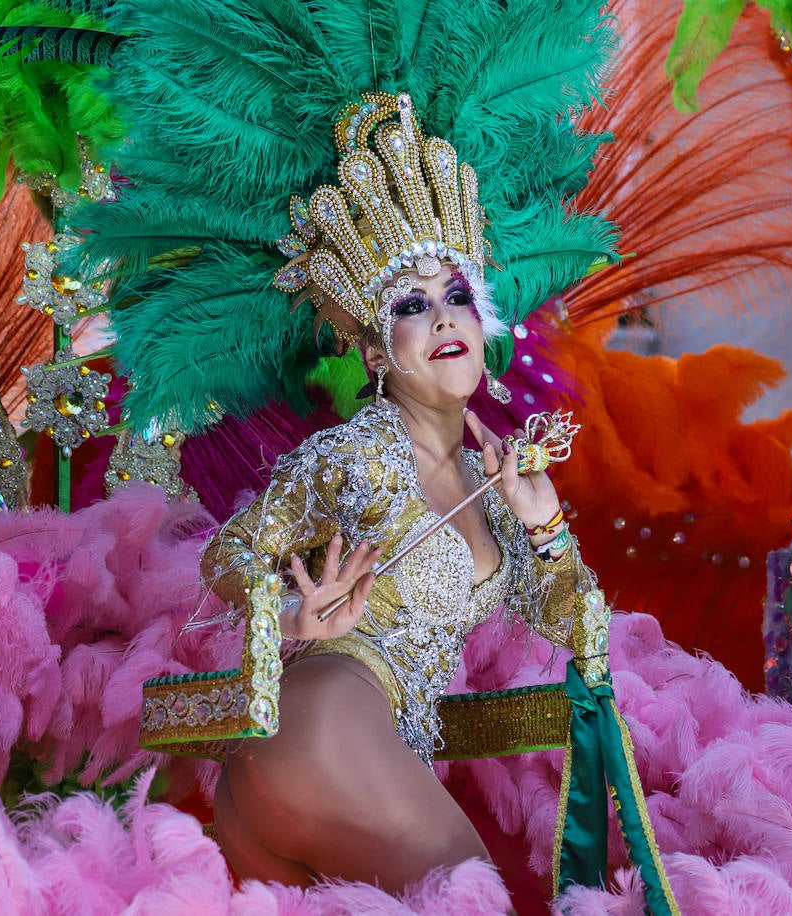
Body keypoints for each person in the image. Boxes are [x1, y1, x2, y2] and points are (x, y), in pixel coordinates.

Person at [199, 97, 605, 891]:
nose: (444, 319)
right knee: (471, 903)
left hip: (361, 761)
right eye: (412, 306)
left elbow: (580, 627)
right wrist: (288, 615)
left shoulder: (497, 485)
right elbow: (228, 552)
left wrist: (546, 524)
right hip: (322, 726)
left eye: (457, 297)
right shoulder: (359, 457)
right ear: (376, 352)